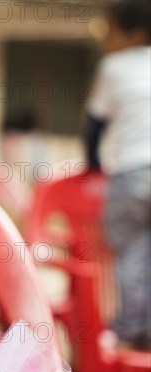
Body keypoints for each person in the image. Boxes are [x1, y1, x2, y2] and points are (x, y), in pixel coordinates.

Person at [83, 0, 151, 350]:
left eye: (110, 31)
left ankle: (131, 330)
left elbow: (94, 125)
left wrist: (92, 165)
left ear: (133, 34)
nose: (105, 40)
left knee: (130, 248)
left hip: (133, 173)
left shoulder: (114, 66)